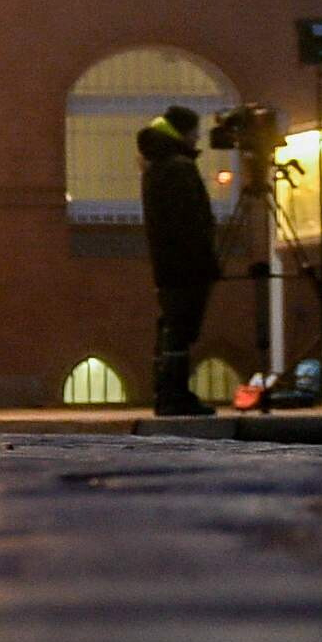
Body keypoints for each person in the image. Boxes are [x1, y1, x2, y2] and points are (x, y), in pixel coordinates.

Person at [138, 105, 223, 417]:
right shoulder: (178, 168)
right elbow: (191, 220)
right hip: (187, 262)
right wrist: (206, 257)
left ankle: (167, 391)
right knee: (181, 327)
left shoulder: (155, 165)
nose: (198, 137)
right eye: (194, 132)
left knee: (172, 326)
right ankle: (174, 394)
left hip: (168, 262)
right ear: (182, 132)